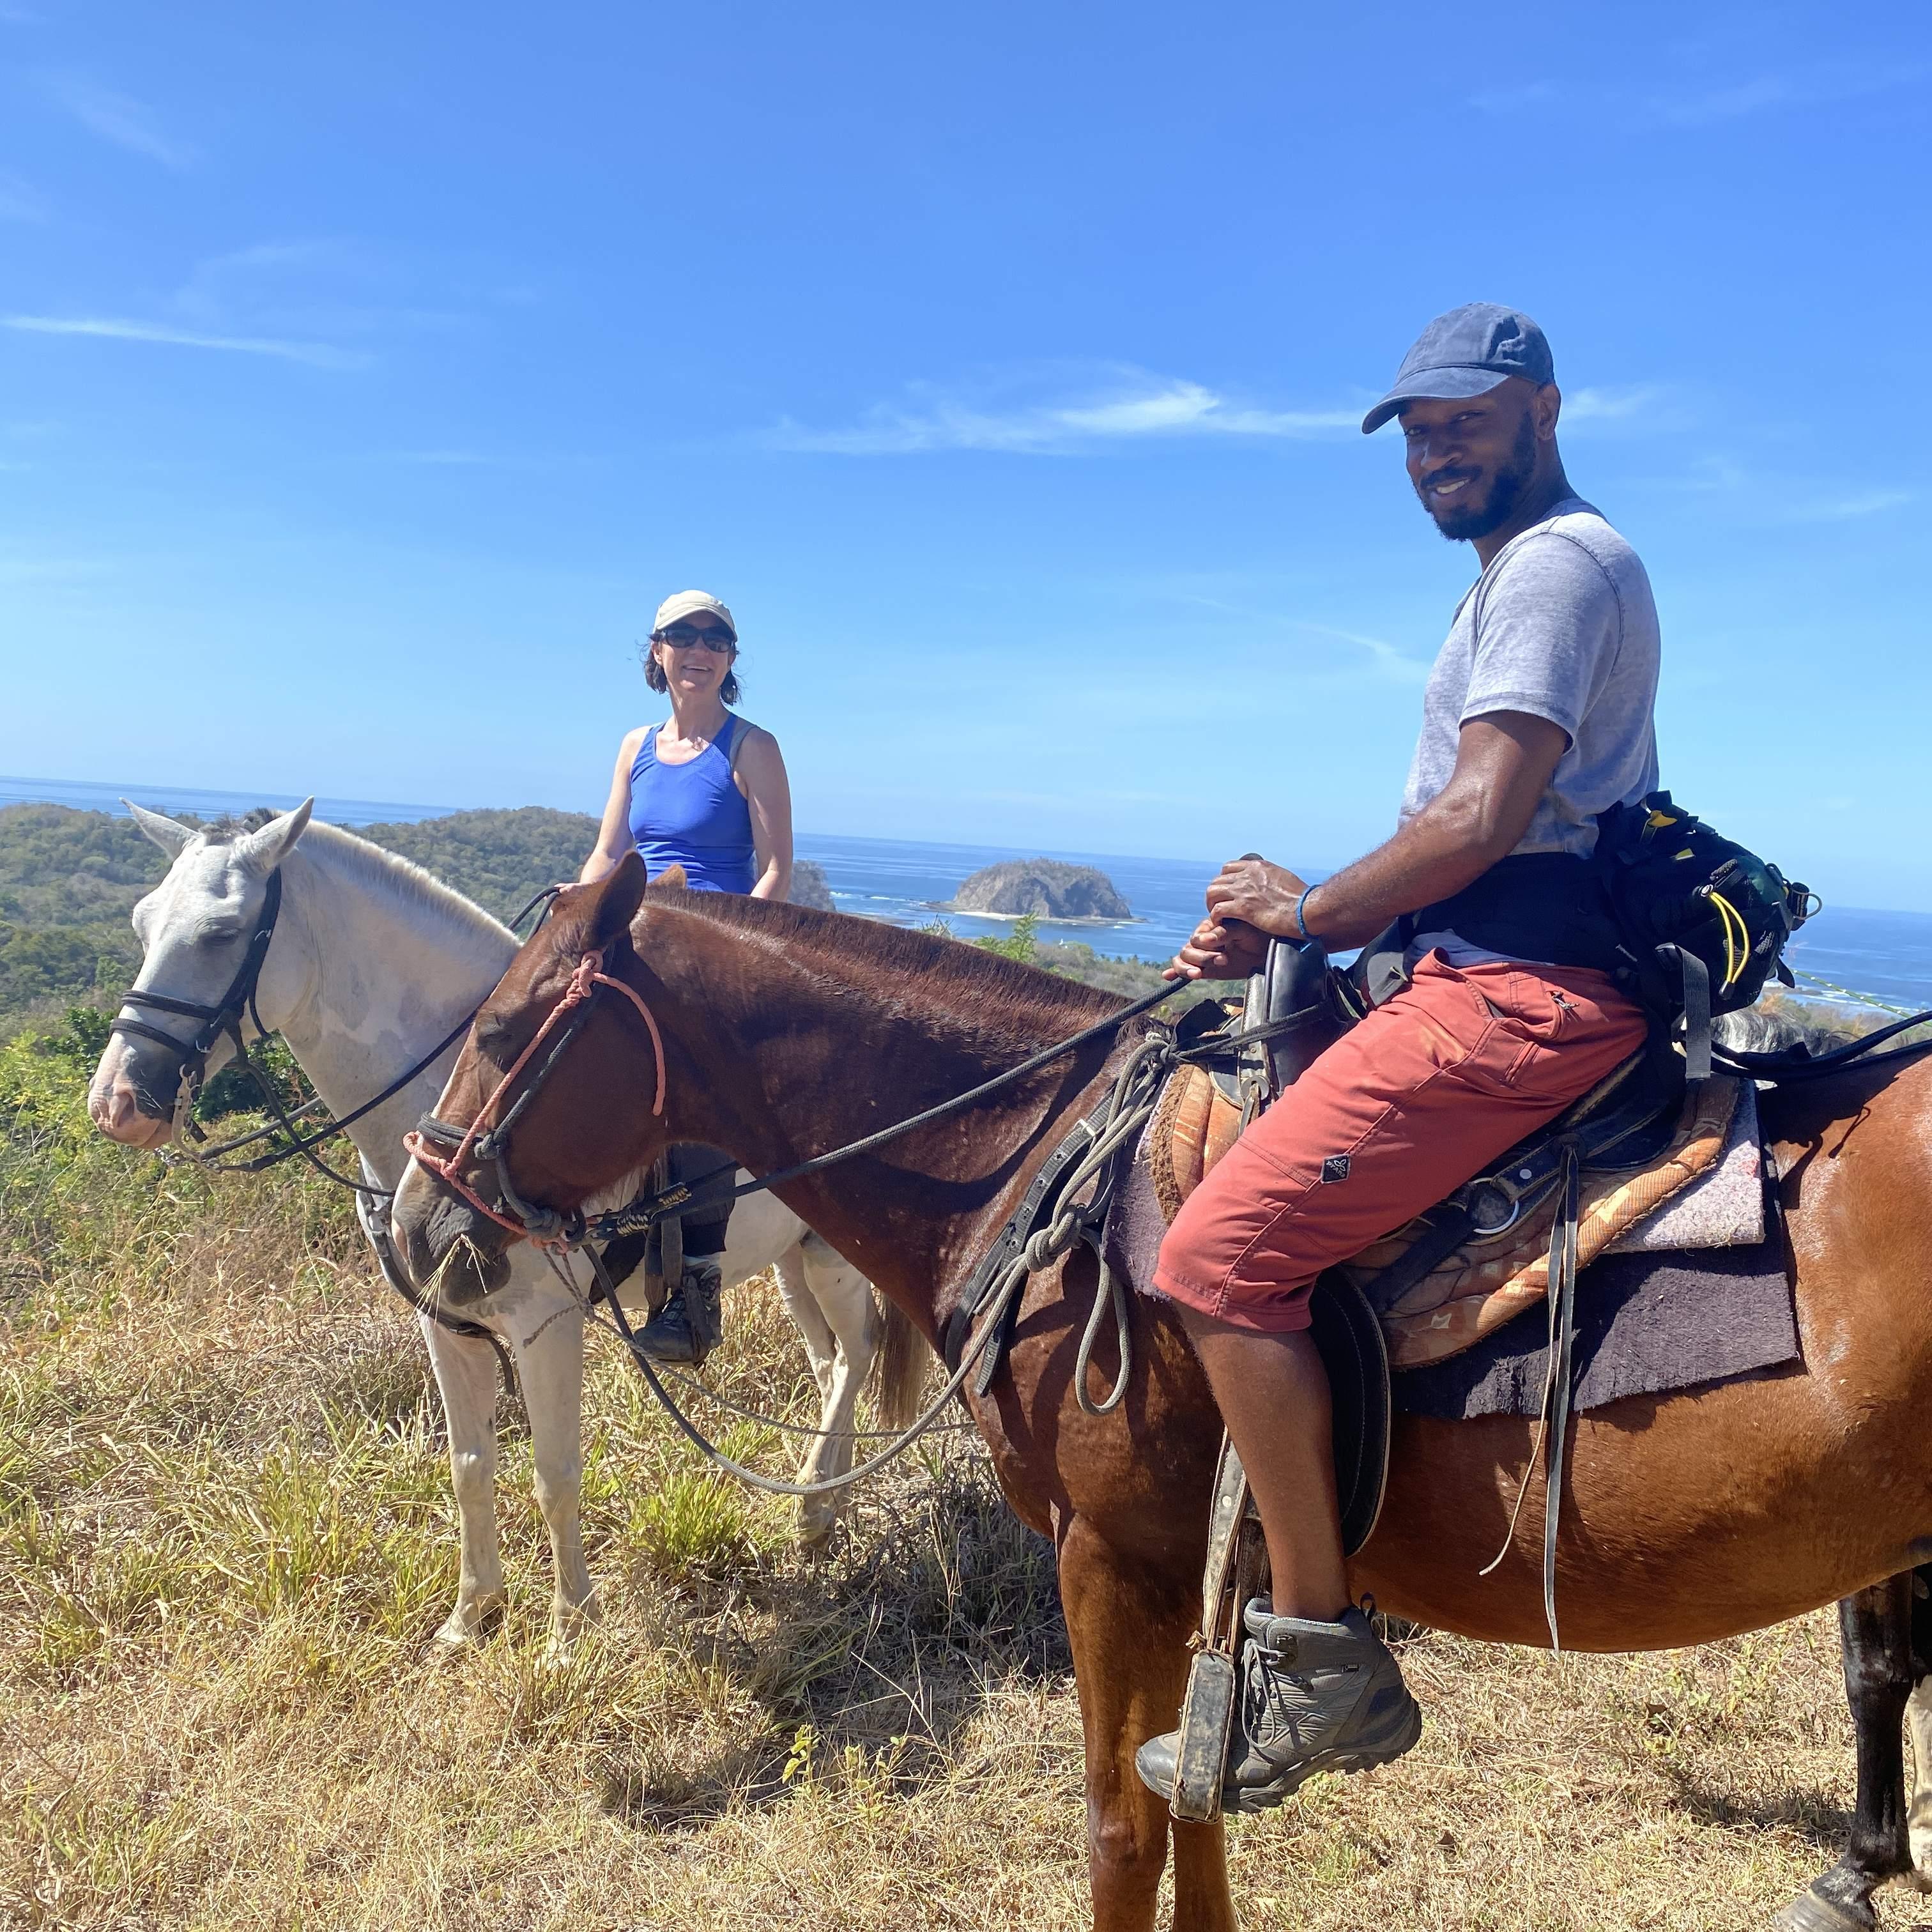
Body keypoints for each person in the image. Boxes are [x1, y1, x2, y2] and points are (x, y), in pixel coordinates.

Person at [1133, 304, 1659, 1811]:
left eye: (1465, 423)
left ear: (1542, 410)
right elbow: (1462, 846)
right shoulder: (1513, 575)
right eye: (1418, 431)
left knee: (1221, 1255)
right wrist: (1305, 932)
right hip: (1475, 961)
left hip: (1521, 995)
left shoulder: (1556, 567)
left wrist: (1305, 907)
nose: (1436, 452)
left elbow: (1481, 820)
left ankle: (1321, 1657)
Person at [579, 589, 794, 1363]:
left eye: (716, 639)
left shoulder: (751, 748)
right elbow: (610, 853)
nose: (699, 649)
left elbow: (775, 870)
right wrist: (573, 923)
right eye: (683, 636)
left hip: (713, 947)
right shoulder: (634, 745)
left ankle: (697, 1284)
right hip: (637, 934)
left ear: (730, 661)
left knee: (697, 1082)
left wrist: (728, 945)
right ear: (657, 651)